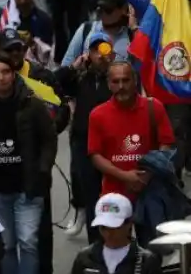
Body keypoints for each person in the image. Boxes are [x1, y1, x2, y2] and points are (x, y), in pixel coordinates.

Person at [0, 53, 58, 274]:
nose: (1, 78)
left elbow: (49, 139)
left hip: (29, 187)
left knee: (28, 242)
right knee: (5, 245)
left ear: (13, 74)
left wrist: (43, 169)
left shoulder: (32, 104)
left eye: (6, 72)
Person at [57, 32, 116, 242]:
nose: (100, 55)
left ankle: (117, 240)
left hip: (113, 144)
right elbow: (55, 82)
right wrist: (74, 66)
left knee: (113, 196)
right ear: (88, 54)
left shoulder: (118, 77)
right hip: (84, 143)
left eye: (105, 50)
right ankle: (96, 245)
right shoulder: (80, 78)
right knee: (91, 196)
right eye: (95, 50)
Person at [88, 61, 174, 200]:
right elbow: (95, 155)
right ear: (109, 84)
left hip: (151, 193)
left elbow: (166, 145)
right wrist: (124, 176)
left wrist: (147, 175)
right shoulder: (97, 115)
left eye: (126, 80)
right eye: (116, 81)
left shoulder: (154, 108)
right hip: (114, 195)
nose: (121, 86)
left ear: (135, 81)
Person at [69, 193, 162, 274]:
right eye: (104, 228)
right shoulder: (84, 258)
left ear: (129, 224)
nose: (108, 234)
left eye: (114, 228)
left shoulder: (146, 261)